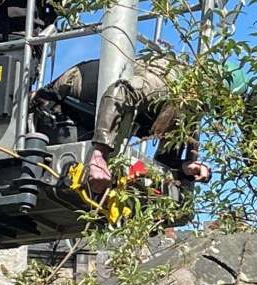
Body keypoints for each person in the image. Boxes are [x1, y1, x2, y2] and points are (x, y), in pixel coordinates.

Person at [34, 53, 211, 195]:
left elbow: (165, 160)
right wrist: (99, 155)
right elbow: (120, 93)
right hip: (66, 102)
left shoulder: (186, 113)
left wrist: (185, 167)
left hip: (92, 120)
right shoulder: (164, 85)